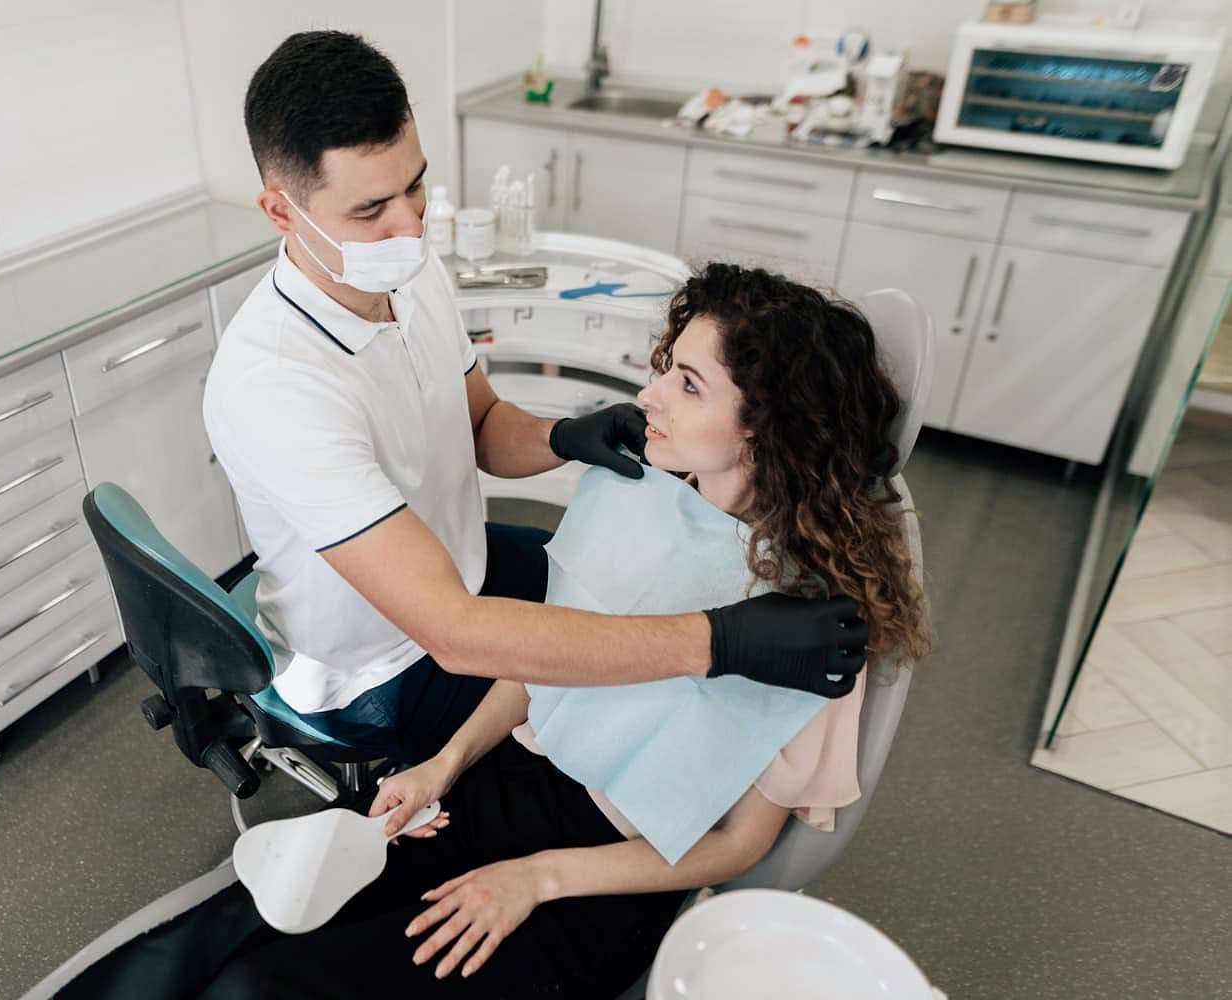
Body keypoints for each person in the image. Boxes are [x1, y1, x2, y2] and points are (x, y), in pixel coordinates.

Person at [75, 262, 933, 999]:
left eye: (689, 385)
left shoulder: (814, 624)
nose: (648, 397)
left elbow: (740, 844)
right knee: (235, 938)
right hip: (514, 779)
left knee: (268, 991)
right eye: (667, 368)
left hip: (606, 873)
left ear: (769, 427)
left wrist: (536, 880)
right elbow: (551, 660)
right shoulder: (643, 506)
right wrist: (444, 763)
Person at [202, 31, 866, 765]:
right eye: (371, 210)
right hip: (378, 670)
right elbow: (455, 635)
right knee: (624, 721)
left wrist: (561, 437)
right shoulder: (276, 388)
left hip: (466, 567)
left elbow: (481, 423)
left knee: (615, 598)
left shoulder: (405, 274)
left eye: (415, 185)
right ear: (280, 210)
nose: (410, 224)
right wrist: (721, 642)